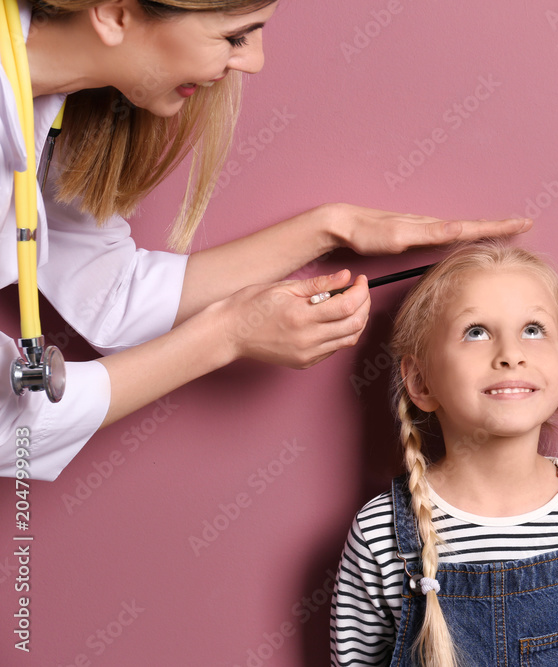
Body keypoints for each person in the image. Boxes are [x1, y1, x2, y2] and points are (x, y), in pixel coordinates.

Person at [0, 0, 531, 481]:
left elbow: (112, 296)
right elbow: (13, 429)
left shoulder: (50, 105)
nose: (253, 61)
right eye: (235, 36)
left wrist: (329, 228)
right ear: (115, 13)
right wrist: (228, 335)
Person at [329, 242, 558, 666]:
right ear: (421, 381)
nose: (511, 354)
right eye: (476, 332)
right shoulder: (381, 535)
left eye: (534, 330)